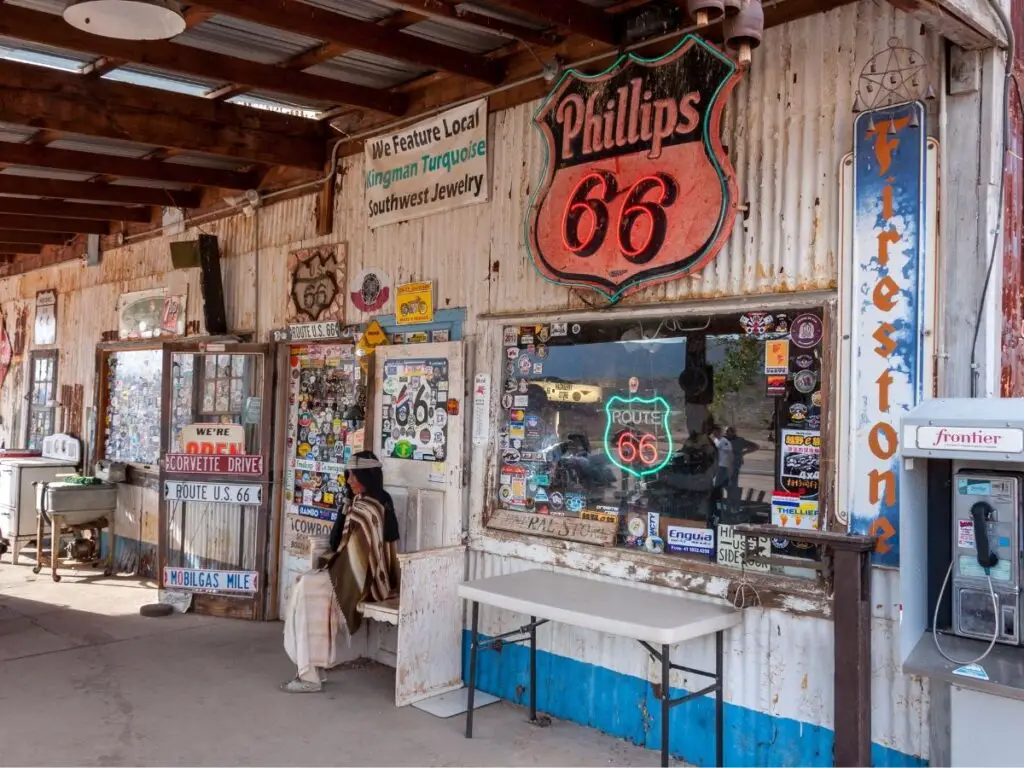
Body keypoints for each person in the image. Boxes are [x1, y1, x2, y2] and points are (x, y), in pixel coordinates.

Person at [281, 452, 399, 693]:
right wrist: (343, 508)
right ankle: (314, 665)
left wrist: (329, 573)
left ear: (367, 476)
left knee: (307, 588)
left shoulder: (370, 507)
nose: (349, 481)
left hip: (366, 581)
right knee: (305, 585)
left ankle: (310, 675)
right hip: (352, 573)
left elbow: (355, 556)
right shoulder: (359, 502)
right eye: (348, 475)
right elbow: (337, 544)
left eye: (354, 476)